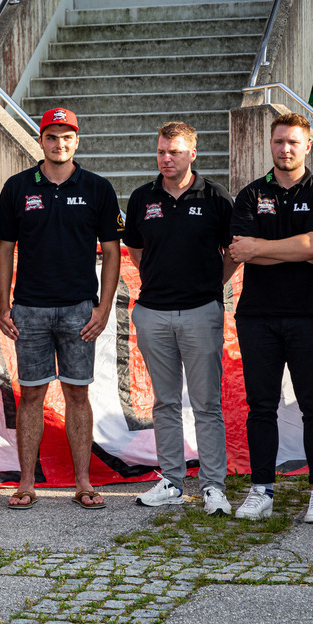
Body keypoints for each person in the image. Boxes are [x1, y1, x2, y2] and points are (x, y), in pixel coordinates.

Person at [0, 107, 123, 511]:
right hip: (29, 309)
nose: (59, 143)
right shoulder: (17, 188)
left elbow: (113, 251)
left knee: (77, 395)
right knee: (30, 396)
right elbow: (4, 250)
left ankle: (83, 483)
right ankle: (27, 483)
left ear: (77, 141)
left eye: (67, 137)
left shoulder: (99, 188)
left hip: (79, 310)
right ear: (41, 140)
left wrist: (103, 307)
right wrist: (3, 305)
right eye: (52, 136)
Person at [124, 122, 236, 515]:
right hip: (153, 313)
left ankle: (213, 487)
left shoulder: (216, 197)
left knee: (207, 404)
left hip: (201, 313)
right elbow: (136, 251)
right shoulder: (142, 198)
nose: (166, 158)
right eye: (160, 151)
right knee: (164, 403)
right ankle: (171, 479)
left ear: (192, 153)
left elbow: (234, 252)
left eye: (173, 151)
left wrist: (208, 287)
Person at [228, 111, 313, 522]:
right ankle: (261, 490)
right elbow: (239, 249)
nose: (285, 149)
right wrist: (293, 247)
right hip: (257, 316)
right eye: (279, 141)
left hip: (308, 315)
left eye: (293, 142)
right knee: (261, 406)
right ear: (270, 145)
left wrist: (262, 248)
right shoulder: (249, 194)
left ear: (307, 145)